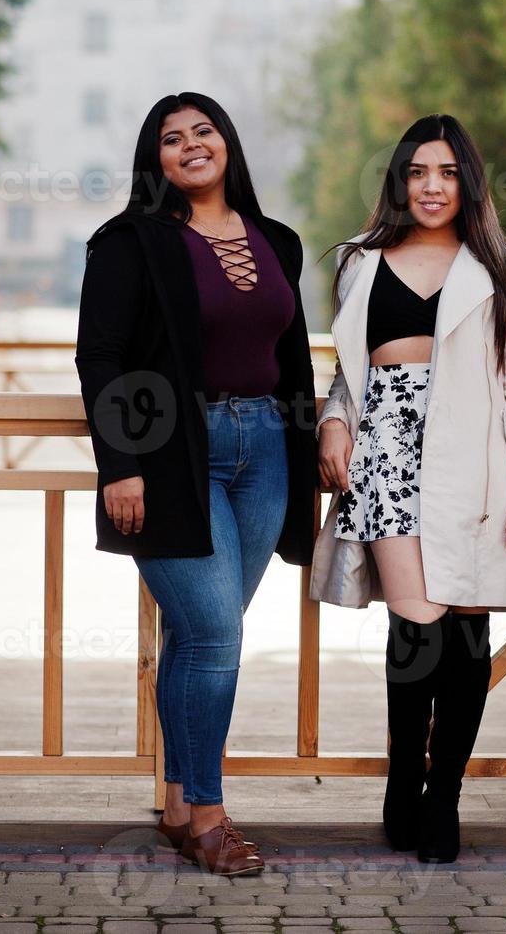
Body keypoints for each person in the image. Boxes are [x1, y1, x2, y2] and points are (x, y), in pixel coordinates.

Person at [75, 92, 317, 877]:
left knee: (198, 635)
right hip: (173, 454)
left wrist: (317, 442)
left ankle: (177, 803)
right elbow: (100, 357)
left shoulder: (277, 240)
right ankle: (211, 817)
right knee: (215, 635)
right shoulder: (128, 242)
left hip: (268, 454)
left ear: (227, 143)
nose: (190, 146)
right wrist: (122, 465)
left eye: (203, 131)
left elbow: (293, 360)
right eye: (171, 139)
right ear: (157, 160)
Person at [310, 114, 506, 864]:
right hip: (386, 457)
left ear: (466, 182)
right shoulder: (358, 260)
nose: (432, 186)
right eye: (418, 172)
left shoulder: (496, 264)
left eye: (446, 173)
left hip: (476, 463)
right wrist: (333, 424)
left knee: (466, 633)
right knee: (415, 629)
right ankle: (400, 780)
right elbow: (348, 373)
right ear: (399, 181)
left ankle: (441, 795)